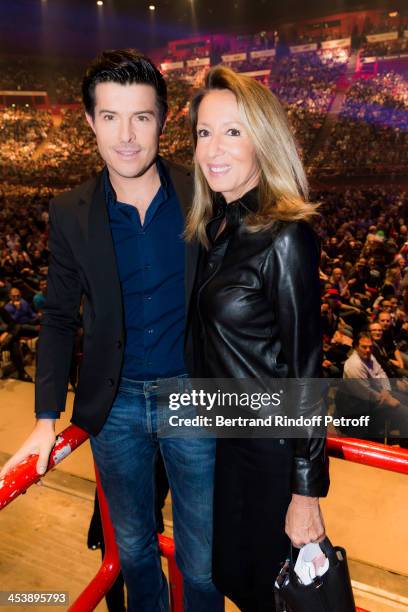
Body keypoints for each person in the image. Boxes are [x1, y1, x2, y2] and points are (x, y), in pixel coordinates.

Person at [0, 50, 223, 612]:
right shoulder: (70, 211)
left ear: (163, 121)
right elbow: (56, 317)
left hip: (193, 398)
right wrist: (44, 419)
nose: (126, 136)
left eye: (141, 117)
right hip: (115, 407)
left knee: (202, 563)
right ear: (90, 122)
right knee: (135, 553)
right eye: (110, 117)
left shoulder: (205, 193)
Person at [186, 65, 329, 611]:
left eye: (232, 131)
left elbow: (306, 374)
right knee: (234, 579)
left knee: (273, 595)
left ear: (261, 140)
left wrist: (305, 492)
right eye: (204, 132)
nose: (213, 149)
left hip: (272, 456)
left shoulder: (286, 236)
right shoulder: (216, 228)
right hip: (228, 447)